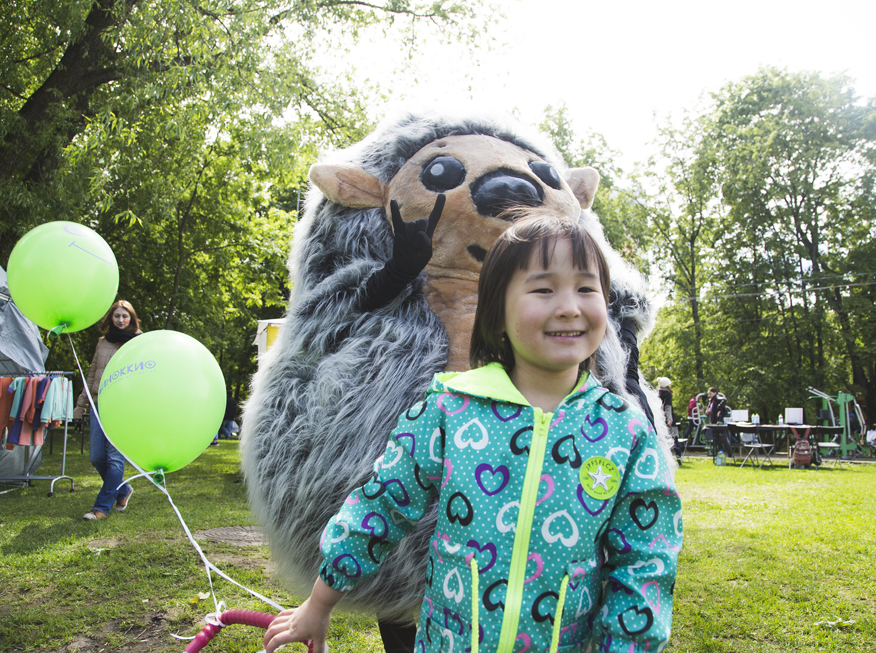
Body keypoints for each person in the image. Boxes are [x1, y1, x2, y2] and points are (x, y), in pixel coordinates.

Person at [262, 214, 682, 653]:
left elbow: (644, 561)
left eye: (586, 288)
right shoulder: (450, 408)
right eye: (543, 288)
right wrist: (318, 603)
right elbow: (379, 508)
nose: (569, 307)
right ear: (497, 311)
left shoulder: (626, 431)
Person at [75, 300, 142, 520]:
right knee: (96, 457)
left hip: (122, 406)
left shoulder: (139, 343)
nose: (121, 320)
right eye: (117, 316)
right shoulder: (102, 343)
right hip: (97, 403)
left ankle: (101, 508)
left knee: (115, 459)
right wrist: (80, 405)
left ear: (131, 319)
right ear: (110, 318)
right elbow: (93, 373)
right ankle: (123, 490)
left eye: (125, 316)